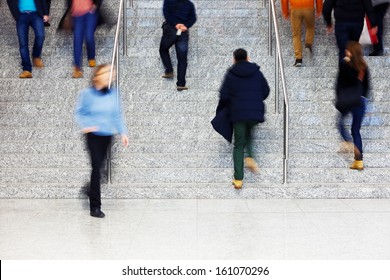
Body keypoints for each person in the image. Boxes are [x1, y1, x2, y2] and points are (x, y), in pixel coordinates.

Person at [75, 64, 129, 218]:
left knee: (101, 169)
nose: (111, 76)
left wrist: (123, 132)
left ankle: (90, 189)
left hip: (107, 135)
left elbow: (116, 115)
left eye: (112, 73)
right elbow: (80, 112)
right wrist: (86, 126)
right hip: (93, 135)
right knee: (96, 167)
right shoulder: (87, 94)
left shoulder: (114, 93)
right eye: (108, 73)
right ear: (98, 75)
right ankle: (95, 207)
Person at [216, 49, 270, 189]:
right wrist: (255, 100)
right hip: (254, 113)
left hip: (238, 114)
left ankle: (238, 180)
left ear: (234, 59)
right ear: (247, 58)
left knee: (239, 145)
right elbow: (266, 91)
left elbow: (223, 95)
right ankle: (251, 157)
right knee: (249, 134)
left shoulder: (231, 73)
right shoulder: (257, 72)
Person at [335, 41, 370, 170]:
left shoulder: (344, 64)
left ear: (350, 52)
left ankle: (348, 142)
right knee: (356, 130)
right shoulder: (363, 66)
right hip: (360, 101)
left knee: (339, 123)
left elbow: (339, 83)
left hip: (348, 100)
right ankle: (359, 161)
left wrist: (339, 98)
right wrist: (363, 98)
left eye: (347, 50)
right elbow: (367, 86)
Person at [159, 0, 196, 91]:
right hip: (183, 32)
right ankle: (181, 84)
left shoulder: (168, 1)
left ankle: (169, 70)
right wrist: (185, 26)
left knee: (163, 49)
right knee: (182, 59)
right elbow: (193, 18)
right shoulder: (189, 4)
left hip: (170, 30)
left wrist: (176, 24)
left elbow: (166, 13)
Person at [7, 0, 50, 78]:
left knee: (40, 35)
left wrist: (46, 13)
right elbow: (10, 1)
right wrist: (15, 14)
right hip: (21, 15)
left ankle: (36, 56)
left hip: (36, 14)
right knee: (23, 43)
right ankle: (27, 69)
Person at [63, 0, 103, 78]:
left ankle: (91, 57)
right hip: (76, 15)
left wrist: (95, 5)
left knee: (89, 36)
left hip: (90, 13)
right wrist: (70, 10)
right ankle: (77, 68)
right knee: (77, 40)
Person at [281, 0, 323, 67]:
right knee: (310, 27)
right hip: (309, 7)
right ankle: (308, 44)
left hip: (295, 8)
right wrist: (319, 9)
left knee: (296, 34)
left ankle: (298, 59)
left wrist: (285, 12)